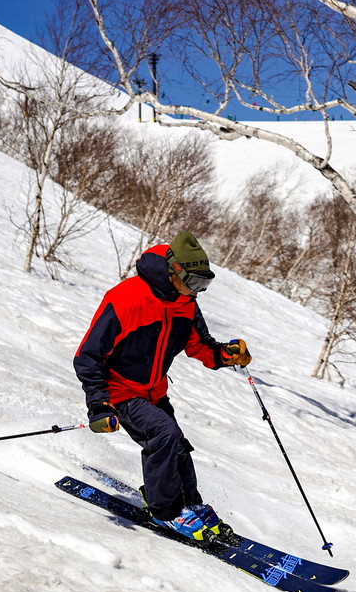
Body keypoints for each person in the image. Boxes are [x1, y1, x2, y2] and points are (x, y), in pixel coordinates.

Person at [74, 231, 253, 544]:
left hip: (154, 391)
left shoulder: (186, 304)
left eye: (204, 285)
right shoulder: (128, 299)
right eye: (194, 283)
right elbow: (88, 355)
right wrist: (99, 405)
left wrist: (226, 355)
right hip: (119, 391)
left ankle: (191, 505)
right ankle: (164, 511)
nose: (198, 292)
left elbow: (202, 346)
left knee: (177, 445)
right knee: (164, 434)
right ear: (174, 273)